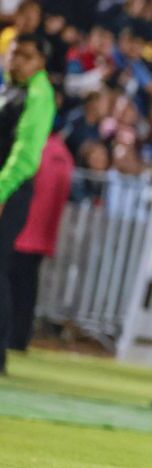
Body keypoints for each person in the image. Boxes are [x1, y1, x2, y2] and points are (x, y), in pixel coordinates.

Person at [0, 34, 55, 375]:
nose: (16, 60)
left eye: (26, 55)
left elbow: (26, 154)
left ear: (40, 63)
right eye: (13, 52)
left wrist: (2, 190)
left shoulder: (38, 93)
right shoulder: (9, 88)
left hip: (10, 190)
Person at [8, 132, 72, 352]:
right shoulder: (63, 155)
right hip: (42, 235)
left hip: (23, 230)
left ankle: (12, 337)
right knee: (28, 288)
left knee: (12, 286)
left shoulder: (35, 150)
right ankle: (20, 337)